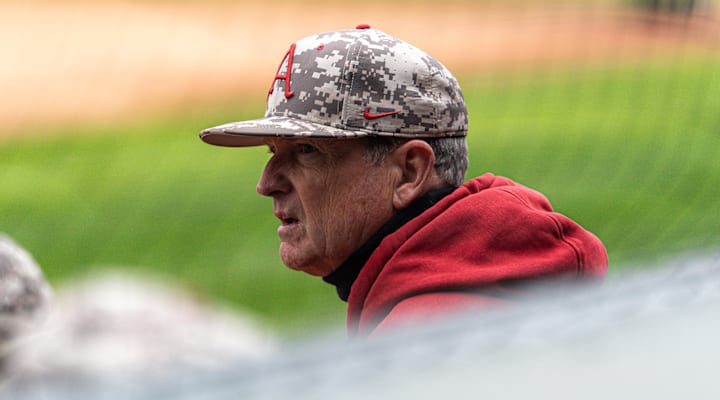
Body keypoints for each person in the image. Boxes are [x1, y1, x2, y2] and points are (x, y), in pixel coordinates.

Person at [199, 25, 608, 339]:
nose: (267, 183)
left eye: (307, 150)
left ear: (409, 172)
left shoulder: (425, 341)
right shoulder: (491, 287)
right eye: (273, 153)